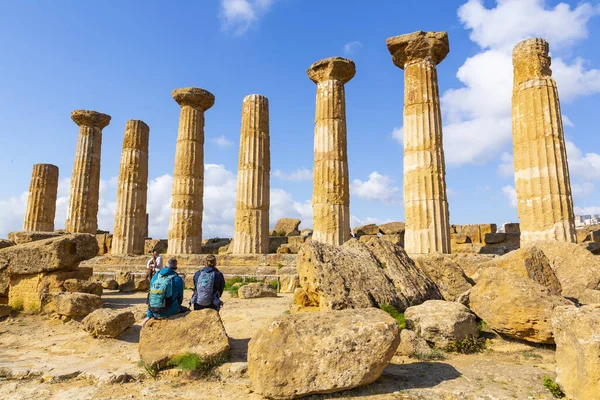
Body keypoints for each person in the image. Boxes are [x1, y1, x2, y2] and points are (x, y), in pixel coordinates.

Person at [142, 257, 187, 327]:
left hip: (154, 311)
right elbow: (180, 299)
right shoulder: (178, 279)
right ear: (175, 268)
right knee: (186, 310)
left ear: (165, 266)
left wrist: (149, 315)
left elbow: (151, 295)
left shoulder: (156, 276)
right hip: (170, 310)